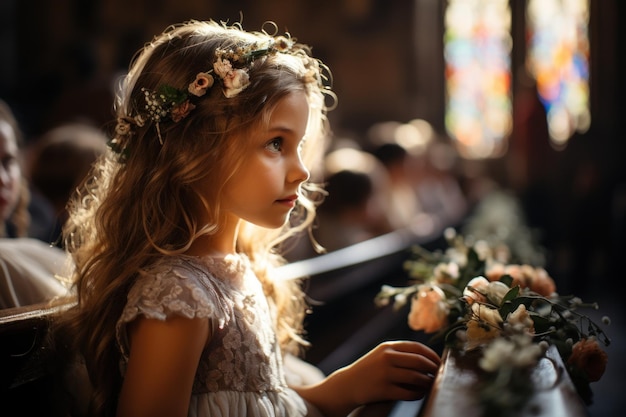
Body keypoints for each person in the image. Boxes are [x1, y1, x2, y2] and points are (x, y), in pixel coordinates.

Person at [52, 20, 440, 417]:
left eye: (300, 145)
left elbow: (264, 405)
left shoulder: (233, 272)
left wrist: (343, 388)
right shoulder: (179, 297)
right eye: (276, 143)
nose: (303, 171)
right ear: (195, 149)